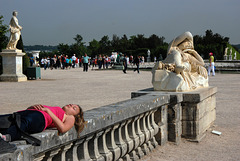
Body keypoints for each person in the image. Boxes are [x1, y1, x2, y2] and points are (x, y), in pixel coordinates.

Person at [0, 104, 85, 153]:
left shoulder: (70, 117)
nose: (71, 105)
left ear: (75, 115)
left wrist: (48, 111)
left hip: (42, 119)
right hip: (30, 113)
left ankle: (5, 137)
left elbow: (62, 128)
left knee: (25, 123)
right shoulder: (57, 108)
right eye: (72, 104)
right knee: (7, 119)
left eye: (74, 108)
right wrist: (32, 107)